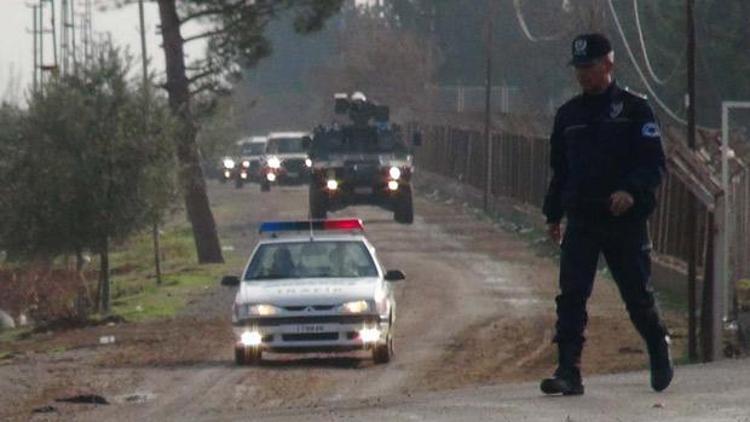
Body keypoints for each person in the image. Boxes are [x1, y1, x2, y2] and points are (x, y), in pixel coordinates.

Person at [540, 33, 673, 396]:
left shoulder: (634, 111)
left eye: (590, 67)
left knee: (636, 296)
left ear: (608, 65)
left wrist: (631, 191)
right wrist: (553, 214)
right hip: (583, 219)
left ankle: (657, 343)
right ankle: (569, 370)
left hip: (624, 222)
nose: (584, 75)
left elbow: (654, 164)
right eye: (579, 69)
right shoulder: (569, 116)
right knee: (572, 296)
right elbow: (561, 171)